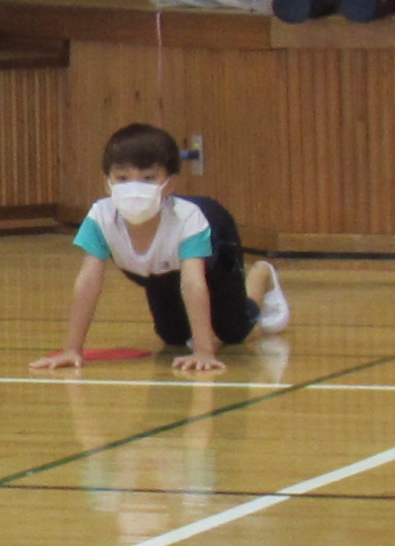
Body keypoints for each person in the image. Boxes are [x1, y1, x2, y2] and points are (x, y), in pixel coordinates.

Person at [28, 123, 288, 380]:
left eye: (149, 178)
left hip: (211, 251)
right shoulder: (100, 217)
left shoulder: (189, 218)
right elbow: (88, 281)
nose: (134, 187)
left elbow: (193, 281)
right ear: (107, 183)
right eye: (122, 178)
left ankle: (261, 275)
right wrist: (72, 349)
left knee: (233, 332)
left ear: (170, 183)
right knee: (172, 336)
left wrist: (203, 350)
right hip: (157, 268)